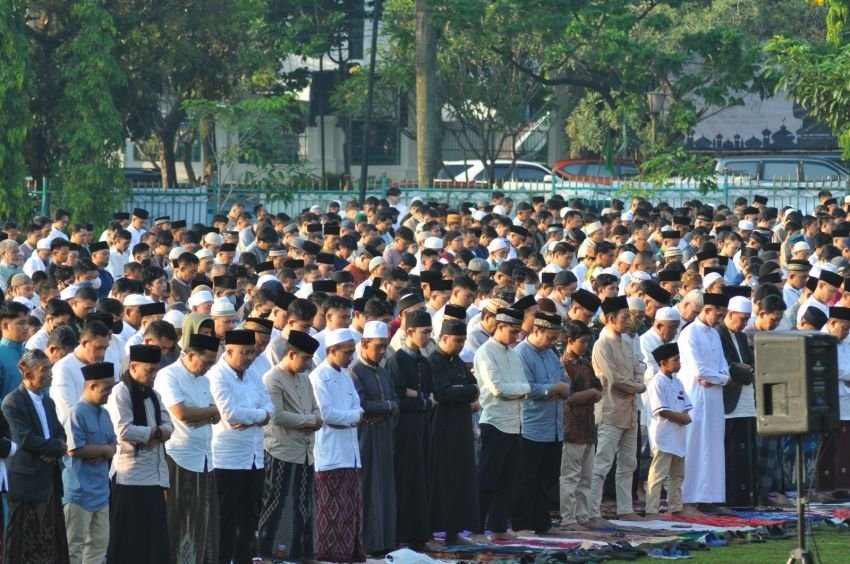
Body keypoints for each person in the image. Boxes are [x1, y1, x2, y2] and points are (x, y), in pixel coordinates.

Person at [153, 333, 221, 564]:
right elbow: (181, 413)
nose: (209, 368)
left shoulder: (204, 380)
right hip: (178, 456)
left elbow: (217, 415)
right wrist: (207, 413)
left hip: (205, 457)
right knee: (178, 518)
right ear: (191, 355)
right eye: (206, 362)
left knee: (204, 519)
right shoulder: (168, 375)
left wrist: (204, 414)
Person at [208, 329, 274, 564]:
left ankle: (243, 559)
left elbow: (271, 409)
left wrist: (254, 417)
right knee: (226, 516)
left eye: (251, 352)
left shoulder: (254, 375)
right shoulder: (217, 376)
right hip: (228, 458)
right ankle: (222, 559)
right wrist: (259, 416)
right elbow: (229, 413)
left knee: (249, 515)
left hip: (254, 456)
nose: (249, 357)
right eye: (244, 352)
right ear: (229, 351)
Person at [258, 330, 323, 561]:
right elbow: (277, 416)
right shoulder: (272, 378)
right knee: (276, 504)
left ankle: (299, 554)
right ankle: (270, 554)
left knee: (303, 506)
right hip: (281, 451)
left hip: (305, 452)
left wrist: (313, 420)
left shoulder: (305, 379)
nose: (308, 364)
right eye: (305, 358)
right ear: (291, 354)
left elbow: (317, 410)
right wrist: (310, 421)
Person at [106, 345, 172, 564]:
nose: (154, 376)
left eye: (156, 370)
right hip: (130, 476)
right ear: (133, 367)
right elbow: (124, 431)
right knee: (129, 538)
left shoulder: (154, 395)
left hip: (154, 475)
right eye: (149, 370)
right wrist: (156, 433)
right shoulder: (120, 392)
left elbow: (169, 427)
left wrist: (154, 433)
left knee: (153, 539)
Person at [2, 349, 69, 563]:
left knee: (50, 543)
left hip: (49, 481)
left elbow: (60, 433)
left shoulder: (48, 402)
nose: (51, 373)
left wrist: (56, 449)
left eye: (50, 368)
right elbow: (25, 439)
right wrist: (55, 448)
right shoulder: (13, 402)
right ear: (28, 374)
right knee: (22, 544)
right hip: (27, 485)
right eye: (44, 369)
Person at [588, 295, 647, 526]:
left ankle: (625, 509)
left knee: (628, 463)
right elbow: (614, 379)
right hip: (611, 410)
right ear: (610, 319)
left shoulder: (627, 342)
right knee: (602, 464)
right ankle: (593, 512)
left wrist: (636, 386)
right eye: (624, 317)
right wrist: (636, 386)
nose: (628, 321)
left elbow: (639, 370)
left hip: (630, 410)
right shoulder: (602, 345)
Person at [473, 307, 530, 541]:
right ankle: (476, 529)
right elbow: (498, 389)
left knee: (509, 480)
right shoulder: (485, 352)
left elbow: (523, 385)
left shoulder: (514, 355)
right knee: (487, 480)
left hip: (515, 423)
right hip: (494, 422)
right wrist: (522, 390)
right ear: (499, 327)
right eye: (513, 331)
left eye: (518, 332)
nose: (517, 337)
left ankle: (498, 528)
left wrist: (520, 389)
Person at [309, 328, 366, 562]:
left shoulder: (345, 375)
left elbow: (358, 407)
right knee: (329, 509)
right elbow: (327, 415)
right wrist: (352, 417)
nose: (352, 357)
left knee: (350, 508)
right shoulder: (317, 377)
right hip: (330, 454)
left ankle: (349, 553)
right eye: (348, 352)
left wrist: (350, 417)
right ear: (332, 350)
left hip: (350, 453)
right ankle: (327, 555)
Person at [385, 309, 439, 551]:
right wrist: (423, 400)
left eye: (429, 332)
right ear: (409, 332)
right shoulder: (396, 360)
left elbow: (433, 394)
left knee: (421, 480)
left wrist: (418, 396)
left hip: (422, 428)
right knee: (405, 481)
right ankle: (400, 534)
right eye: (424, 332)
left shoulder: (424, 361)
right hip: (403, 431)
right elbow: (398, 396)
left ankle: (419, 536)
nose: (428, 337)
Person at [513, 311, 569, 534]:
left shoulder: (552, 353)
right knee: (526, 478)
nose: (553, 342)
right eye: (550, 337)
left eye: (556, 338)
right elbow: (526, 388)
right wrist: (553, 389)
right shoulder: (521, 354)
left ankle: (542, 523)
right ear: (536, 331)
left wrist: (560, 389)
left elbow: (565, 381)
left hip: (553, 426)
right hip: (531, 426)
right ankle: (522, 524)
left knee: (547, 477)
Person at [427, 319, 480, 545]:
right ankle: (430, 532)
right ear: (444, 338)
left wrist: (461, 391)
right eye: (457, 341)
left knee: (461, 480)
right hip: (443, 431)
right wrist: (463, 392)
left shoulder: (457, 361)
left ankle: (454, 532)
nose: (461, 345)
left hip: (461, 430)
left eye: (463, 341)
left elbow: (474, 387)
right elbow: (442, 393)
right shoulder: (433, 362)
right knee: (441, 481)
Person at [678, 292, 731, 515]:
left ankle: (709, 498)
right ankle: (688, 500)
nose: (720, 319)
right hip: (695, 398)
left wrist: (720, 379)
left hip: (714, 398)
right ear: (707, 310)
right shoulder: (689, 334)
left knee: (714, 446)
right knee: (695, 446)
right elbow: (698, 370)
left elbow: (725, 368)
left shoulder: (715, 334)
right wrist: (719, 378)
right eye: (718, 314)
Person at [349, 321, 399, 555]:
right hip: (366, 437)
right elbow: (362, 406)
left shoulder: (383, 371)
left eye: (385, 346)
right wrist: (387, 407)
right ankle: (368, 543)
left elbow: (396, 401)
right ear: (364, 343)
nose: (382, 351)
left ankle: (385, 541)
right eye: (378, 346)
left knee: (386, 488)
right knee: (369, 488)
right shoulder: (355, 371)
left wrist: (386, 407)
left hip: (384, 435)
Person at [62, 361, 117, 564]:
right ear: (92, 386)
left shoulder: (105, 413)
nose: (110, 393)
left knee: (99, 546)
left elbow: (114, 445)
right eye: (107, 389)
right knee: (73, 548)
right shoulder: (76, 413)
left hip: (101, 492)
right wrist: (104, 450)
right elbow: (74, 449)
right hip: (79, 493)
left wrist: (105, 450)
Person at [559, 321, 603, 531]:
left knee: (586, 476)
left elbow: (598, 388)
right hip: (571, 427)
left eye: (587, 342)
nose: (585, 346)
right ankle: (568, 519)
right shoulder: (563, 364)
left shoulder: (585, 363)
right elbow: (568, 396)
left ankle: (582, 515)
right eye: (582, 342)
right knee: (570, 476)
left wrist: (593, 393)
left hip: (587, 426)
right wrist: (591, 394)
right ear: (570, 341)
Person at [644, 343, 693, 518]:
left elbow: (686, 405)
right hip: (663, 436)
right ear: (663, 363)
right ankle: (651, 510)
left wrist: (685, 416)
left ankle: (676, 507)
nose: (679, 363)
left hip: (678, 436)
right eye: (676, 360)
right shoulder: (657, 383)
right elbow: (661, 410)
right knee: (657, 475)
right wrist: (683, 418)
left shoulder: (677, 382)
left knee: (677, 476)